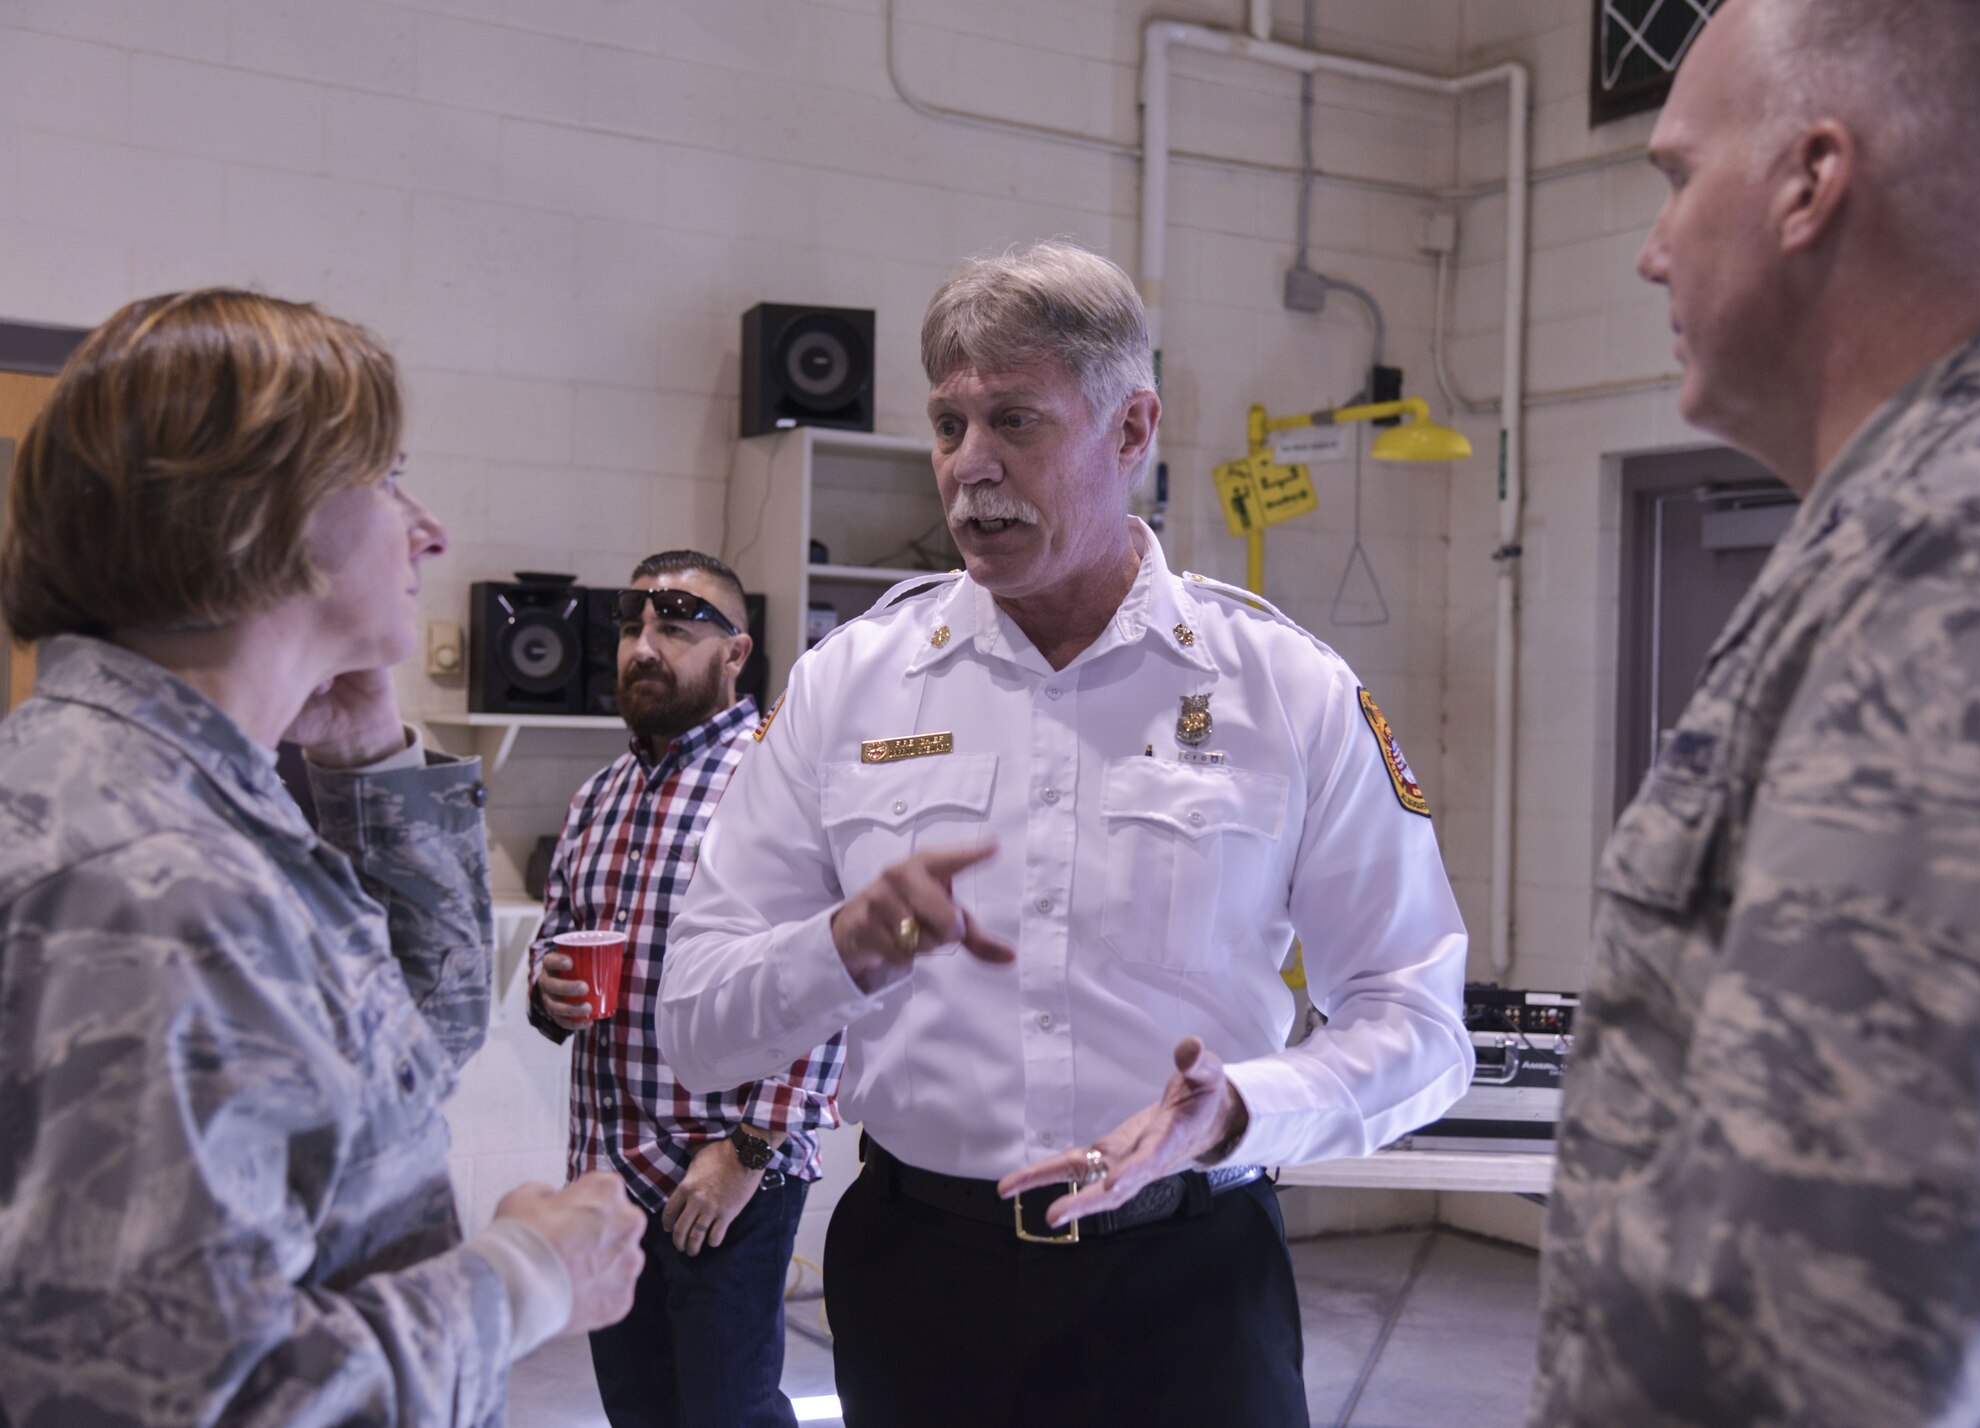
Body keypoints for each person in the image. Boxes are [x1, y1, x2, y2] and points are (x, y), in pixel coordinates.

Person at [658, 241, 1474, 1428]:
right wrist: (844, 947)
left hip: (1190, 1287)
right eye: (948, 425)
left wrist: (1239, 1107)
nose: (968, 469)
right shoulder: (850, 688)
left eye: (1016, 423)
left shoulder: (1283, 691)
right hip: (920, 1284)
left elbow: (1417, 1020)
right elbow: (695, 1023)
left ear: (1131, 428)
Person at [0, 289, 645, 1427]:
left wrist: (369, 768)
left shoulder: (175, 788)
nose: (428, 528)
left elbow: (404, 1051)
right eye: (388, 477)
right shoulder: (150, 873)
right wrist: (529, 1277)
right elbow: (179, 1398)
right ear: (259, 513)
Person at [1529, 3, 1980, 1424]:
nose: (1651, 246)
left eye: (1677, 176)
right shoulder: (1882, 534)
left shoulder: (1949, 552)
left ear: (1810, 181)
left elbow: (1828, 1299)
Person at [528, 550, 843, 1428]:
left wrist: (745, 1155)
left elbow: (829, 982)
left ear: (735, 654)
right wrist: (546, 985)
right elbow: (554, 942)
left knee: (726, 1414)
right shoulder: (598, 798)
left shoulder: (775, 783)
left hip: (721, 1172)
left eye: (675, 625)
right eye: (632, 627)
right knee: (637, 1410)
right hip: (608, 1178)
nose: (643, 647)